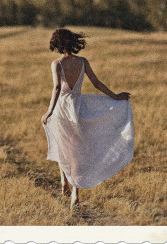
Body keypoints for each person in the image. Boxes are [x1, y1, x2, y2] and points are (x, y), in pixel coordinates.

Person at [41, 28, 134, 209]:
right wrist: (115, 97)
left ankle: (64, 181)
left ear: (58, 45)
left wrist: (49, 111)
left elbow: (57, 88)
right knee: (76, 150)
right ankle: (75, 192)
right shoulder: (82, 62)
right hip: (79, 108)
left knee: (63, 145)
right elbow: (97, 83)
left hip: (62, 109)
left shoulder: (57, 64)